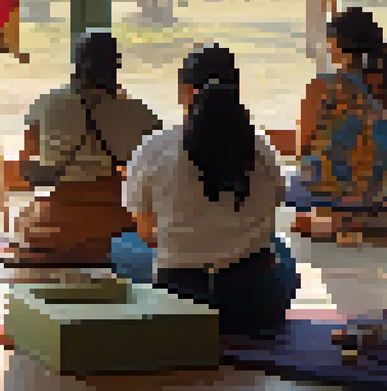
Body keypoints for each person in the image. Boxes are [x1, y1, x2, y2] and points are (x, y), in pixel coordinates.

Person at [110, 44, 298, 336]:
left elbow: (148, 234)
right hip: (256, 302)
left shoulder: (153, 149)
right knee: (280, 250)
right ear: (236, 89)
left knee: (121, 246)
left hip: (180, 302)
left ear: (185, 91)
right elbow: (273, 207)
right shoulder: (263, 149)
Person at [8, 30, 163, 266]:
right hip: (116, 220)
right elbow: (152, 174)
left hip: (58, 221)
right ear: (116, 66)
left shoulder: (47, 104)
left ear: (76, 64)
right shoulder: (141, 113)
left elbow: (26, 166)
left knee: (24, 221)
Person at [288, 7, 387, 239]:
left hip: (330, 194)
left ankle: (338, 221)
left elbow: (302, 150)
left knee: (282, 187)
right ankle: (357, 221)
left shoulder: (321, 87)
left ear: (337, 44)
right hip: (382, 192)